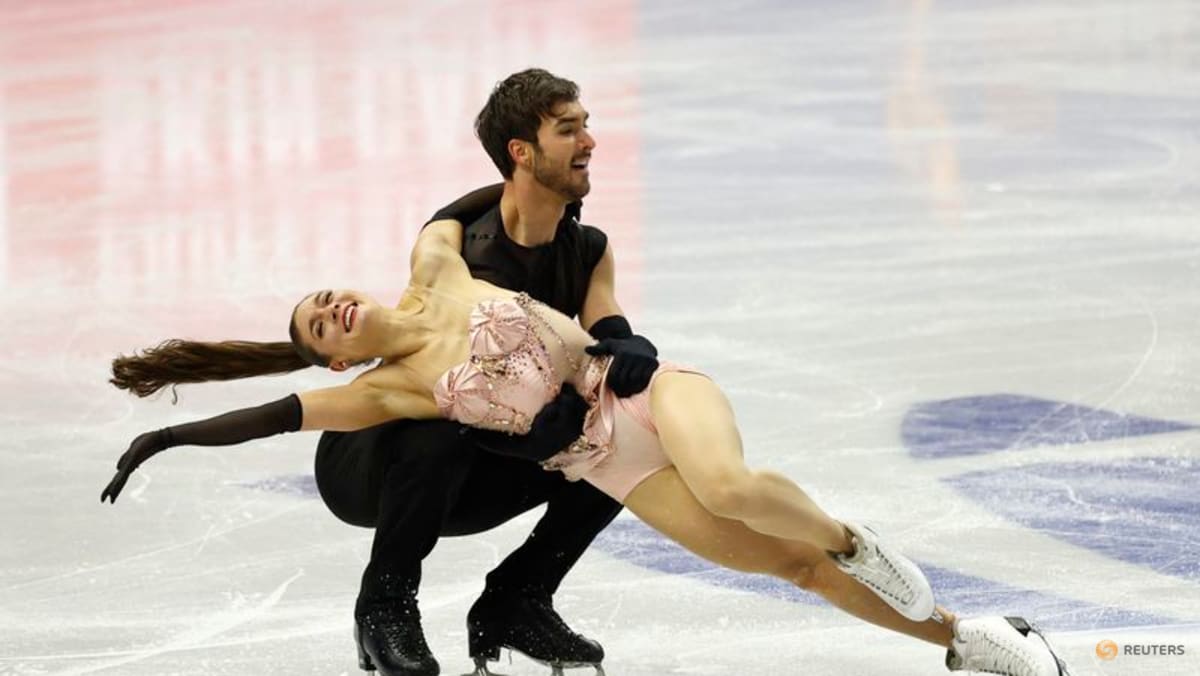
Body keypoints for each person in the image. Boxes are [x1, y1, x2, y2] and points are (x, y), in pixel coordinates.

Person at [102, 216, 1072, 676]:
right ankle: (961, 640)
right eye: (321, 326)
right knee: (789, 569)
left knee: (731, 485)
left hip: (645, 390)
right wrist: (168, 432)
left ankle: (852, 536)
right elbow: (275, 417)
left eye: (326, 295)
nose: (333, 308)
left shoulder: (434, 263)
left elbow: (506, 177)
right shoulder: (384, 393)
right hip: (611, 462)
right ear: (335, 353)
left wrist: (609, 317)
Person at [305, 69, 658, 676]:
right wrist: (523, 441)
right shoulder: (469, 250)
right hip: (380, 453)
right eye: (569, 130)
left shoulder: (590, 249)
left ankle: (517, 599)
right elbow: (448, 397)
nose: (590, 142)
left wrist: (633, 350)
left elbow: (607, 326)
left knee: (622, 439)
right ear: (521, 153)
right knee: (436, 431)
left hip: (477, 468)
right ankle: (384, 605)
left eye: (586, 126)